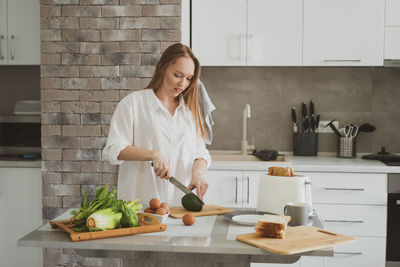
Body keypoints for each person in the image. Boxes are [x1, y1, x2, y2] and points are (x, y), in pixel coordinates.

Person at [103, 43, 211, 207]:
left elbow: (200, 151)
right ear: (162, 67)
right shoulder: (133, 104)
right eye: (177, 75)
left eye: (189, 78)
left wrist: (197, 174)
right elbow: (114, 149)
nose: (183, 83)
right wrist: (153, 155)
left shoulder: (191, 111)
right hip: (140, 207)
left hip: (178, 208)